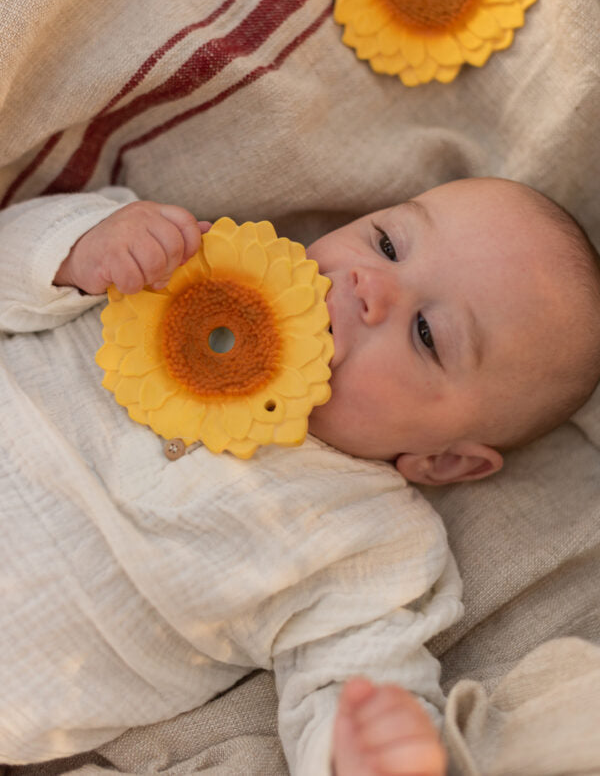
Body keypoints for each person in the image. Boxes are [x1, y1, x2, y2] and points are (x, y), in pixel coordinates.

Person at [1, 177, 598, 775]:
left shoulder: (369, 538)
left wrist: (366, 746)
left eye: (426, 335)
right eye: (387, 243)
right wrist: (79, 249)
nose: (373, 285)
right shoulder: (184, 264)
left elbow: (353, 675)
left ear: (445, 461)